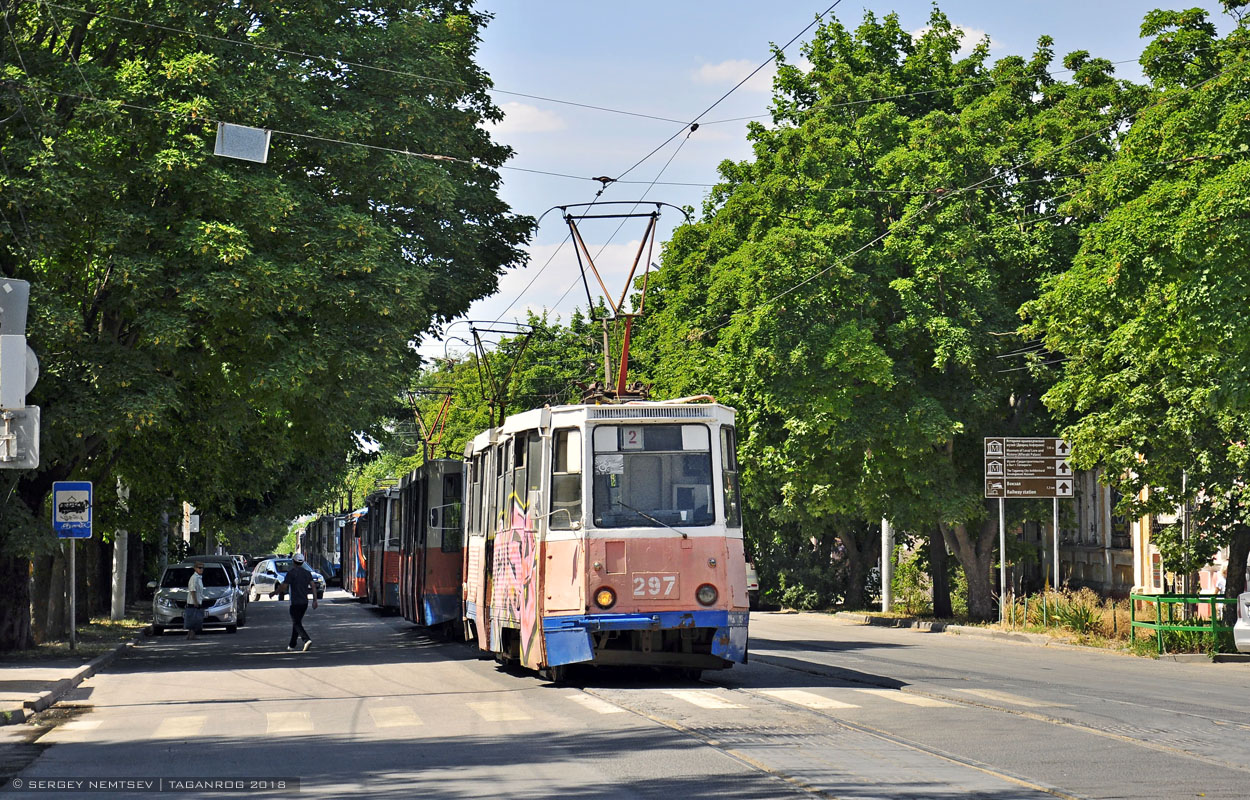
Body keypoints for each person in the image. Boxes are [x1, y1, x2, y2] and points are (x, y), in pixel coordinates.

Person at [279, 553, 317, 651]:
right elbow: (313, 586)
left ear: (293, 562)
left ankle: (306, 639)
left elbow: (284, 586)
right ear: (302, 562)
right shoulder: (307, 573)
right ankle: (292, 645)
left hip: (295, 602)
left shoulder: (291, 573)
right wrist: (315, 600)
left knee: (296, 623)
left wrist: (275, 592)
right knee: (297, 622)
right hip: (304, 602)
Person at [185, 562, 205, 640]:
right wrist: (195, 601)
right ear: (195, 568)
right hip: (193, 602)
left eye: (202, 568)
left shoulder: (199, 578)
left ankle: (190, 634)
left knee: (194, 618)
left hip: (197, 601)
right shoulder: (194, 578)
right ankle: (192, 635)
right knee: (194, 618)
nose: (201, 569)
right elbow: (192, 590)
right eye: (199, 568)